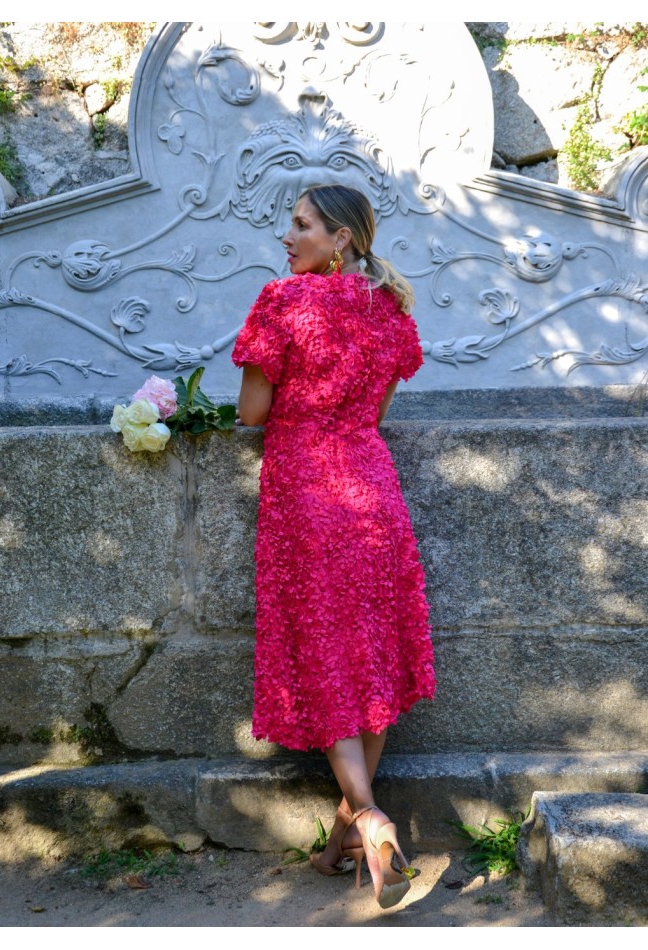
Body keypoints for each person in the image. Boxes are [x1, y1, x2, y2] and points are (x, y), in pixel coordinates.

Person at [232, 184, 435, 910]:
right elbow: (374, 411)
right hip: (373, 491)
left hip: (307, 495)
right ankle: (346, 841)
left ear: (341, 237)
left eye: (301, 225)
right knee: (370, 658)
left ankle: (371, 819)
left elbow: (253, 410)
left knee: (323, 658)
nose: (287, 237)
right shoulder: (390, 310)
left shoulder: (282, 301)